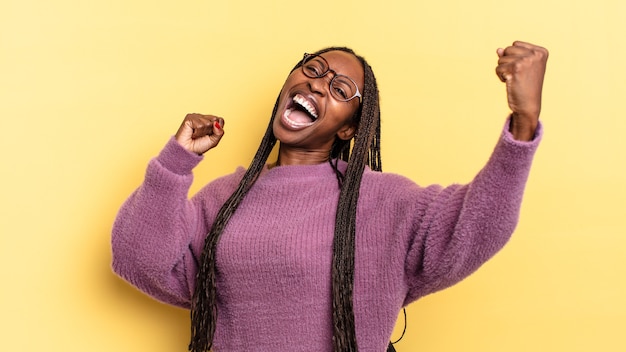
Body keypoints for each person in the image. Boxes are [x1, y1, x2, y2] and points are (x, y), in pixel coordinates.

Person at [111, 41, 548, 352]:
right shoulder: (222, 199)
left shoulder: (387, 202)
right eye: (312, 70)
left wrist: (523, 122)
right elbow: (138, 261)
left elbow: (477, 227)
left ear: (348, 129)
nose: (318, 84)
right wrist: (176, 161)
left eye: (340, 89)